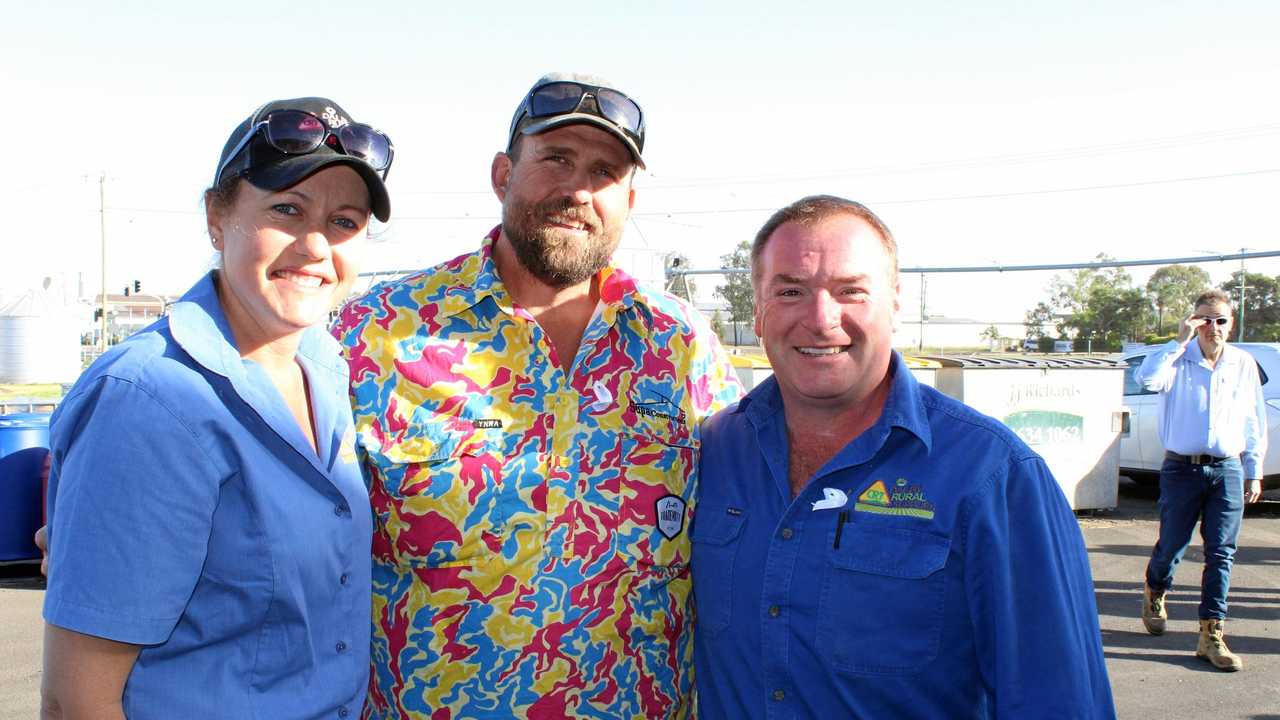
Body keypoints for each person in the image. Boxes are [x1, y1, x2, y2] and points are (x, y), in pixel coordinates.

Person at [333, 73, 742, 718]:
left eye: (603, 171)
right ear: (502, 175)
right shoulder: (380, 332)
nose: (577, 189)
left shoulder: (680, 344)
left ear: (627, 201)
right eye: (555, 159)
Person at [691, 195, 1115, 718]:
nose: (821, 319)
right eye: (791, 291)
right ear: (757, 310)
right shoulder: (713, 452)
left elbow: (1059, 700)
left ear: (895, 303)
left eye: (851, 291)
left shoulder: (995, 476)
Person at [40, 97, 393, 719]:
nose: (315, 246)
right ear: (216, 215)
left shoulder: (328, 371)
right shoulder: (151, 402)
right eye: (287, 209)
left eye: (344, 222)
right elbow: (77, 701)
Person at [1135, 289, 1267, 671]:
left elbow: (1252, 418)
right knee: (1173, 544)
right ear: (1194, 322)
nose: (1213, 328)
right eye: (1205, 320)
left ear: (1231, 324)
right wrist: (1178, 341)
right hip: (1181, 469)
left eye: (1220, 320)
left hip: (1226, 468)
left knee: (1221, 553)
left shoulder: (1242, 363)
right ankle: (1156, 588)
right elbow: (1147, 380)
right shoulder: (1178, 360)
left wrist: (1253, 469)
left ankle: (1211, 634)